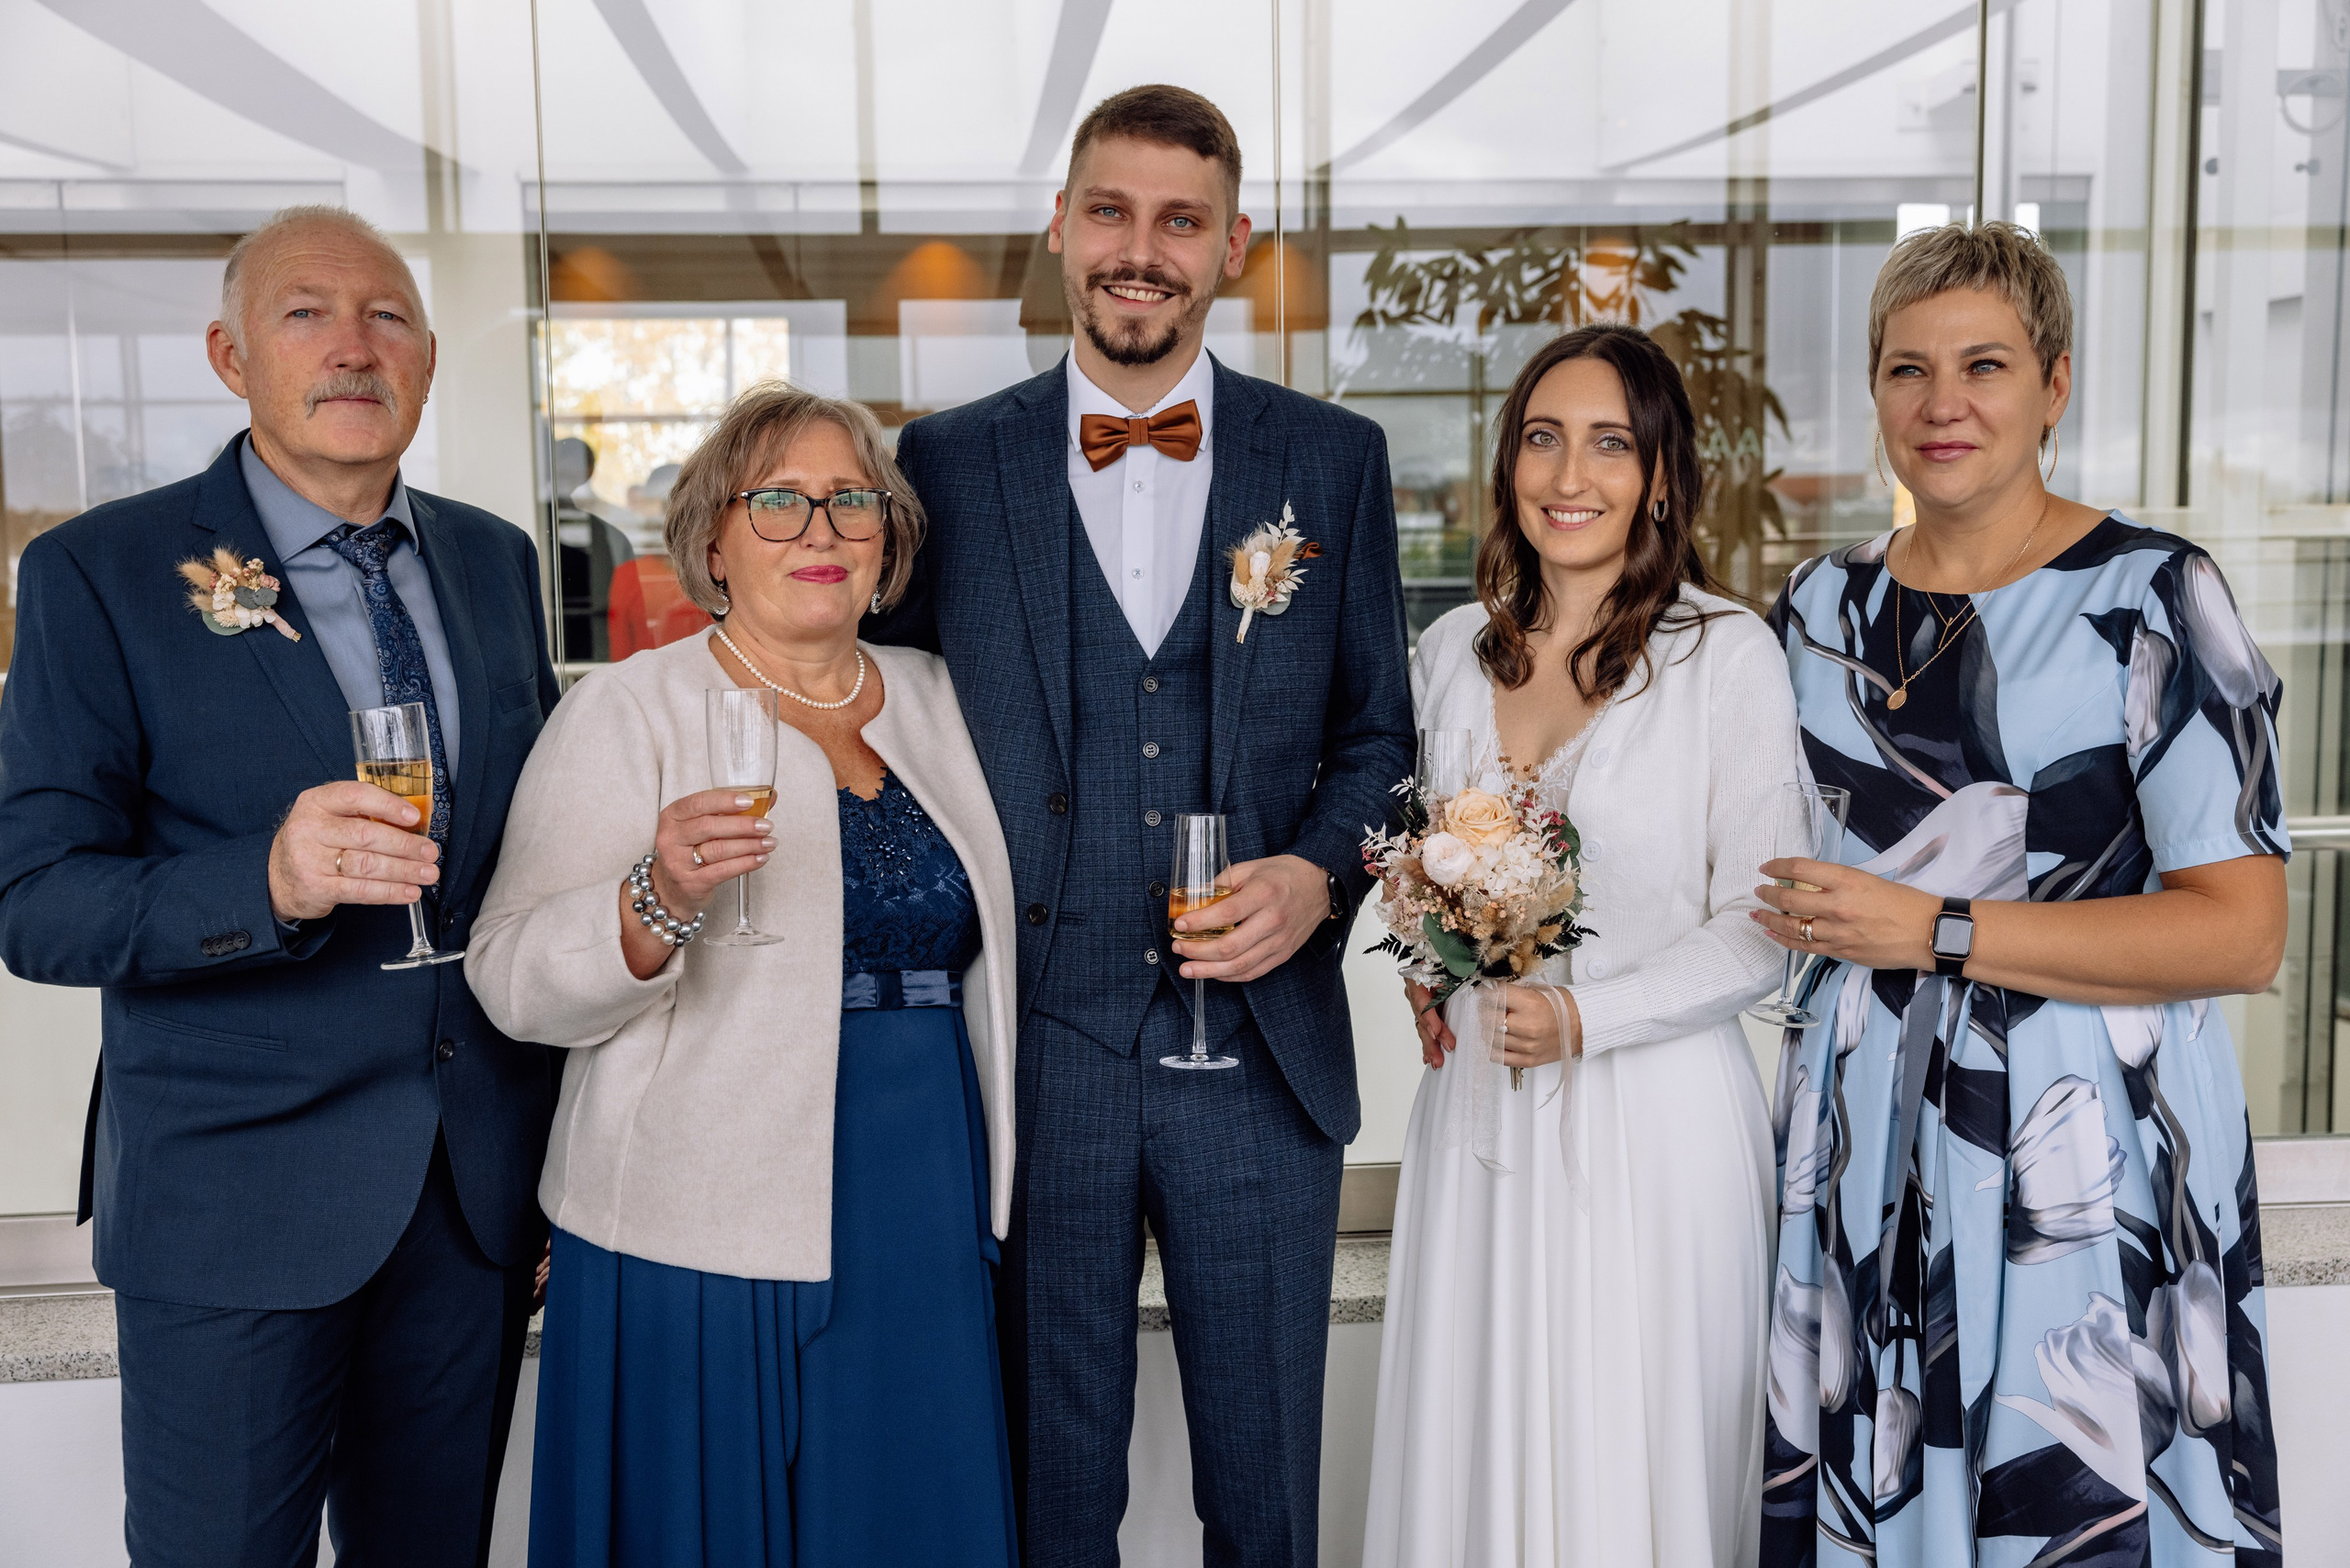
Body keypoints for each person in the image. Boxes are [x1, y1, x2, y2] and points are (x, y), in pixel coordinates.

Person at [866, 84, 1414, 1567]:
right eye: (1110, 211)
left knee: (1265, 1492)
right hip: (1039, 1054)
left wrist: (1313, 879)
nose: (1140, 249)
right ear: (1058, 229)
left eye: (1181, 220)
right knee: (1050, 1491)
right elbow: (893, 727)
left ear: (1236, 245)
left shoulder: (1335, 462)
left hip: (1263, 1065)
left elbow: (1383, 744)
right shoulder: (945, 464)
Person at [0, 204, 561, 1565]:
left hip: (468, 1205)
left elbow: (531, 857)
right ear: (229, 353)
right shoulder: (100, 572)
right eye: (308, 312)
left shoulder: (494, 561)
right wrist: (269, 879)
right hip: (232, 1211)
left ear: (428, 358)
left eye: (387, 318)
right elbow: (36, 901)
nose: (353, 347)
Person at [1756, 222, 2288, 1566]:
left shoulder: (2158, 593)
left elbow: (2244, 931)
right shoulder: (1816, 609)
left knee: (2074, 1495)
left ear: (2055, 384)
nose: (1944, 405)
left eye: (1984, 366)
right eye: (1907, 371)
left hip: (2080, 1138)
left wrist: (1933, 929)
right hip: (1863, 1136)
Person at [467, 383, 1022, 1565]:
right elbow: (510, 976)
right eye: (776, 501)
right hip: (693, 1204)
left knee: (907, 1509)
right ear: (713, 540)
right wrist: (653, 898)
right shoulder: (628, 709)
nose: (818, 531)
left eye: (848, 501)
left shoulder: (945, 701)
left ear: (890, 539)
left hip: (921, 1182)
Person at [1363, 323, 1795, 1566]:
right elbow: (1431, 866)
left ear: (1660, 474)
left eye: (1610, 443)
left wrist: (1588, 1017)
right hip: (1483, 1121)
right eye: (1543, 439)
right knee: (1480, 1434)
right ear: (1507, 469)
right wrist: (1431, 974)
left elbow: (1761, 930)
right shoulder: (1449, 655)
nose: (1570, 475)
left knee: (1636, 1442)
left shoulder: (1725, 655)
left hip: (1653, 1131)